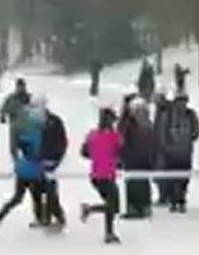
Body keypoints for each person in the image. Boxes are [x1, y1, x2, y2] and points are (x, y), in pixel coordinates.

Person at [0, 107, 46, 237]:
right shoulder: (38, 134)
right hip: (33, 170)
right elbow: (38, 153)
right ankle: (40, 219)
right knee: (36, 195)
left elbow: (18, 150)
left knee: (18, 197)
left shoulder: (24, 135)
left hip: (22, 170)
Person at [79, 108, 123, 244]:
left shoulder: (92, 135)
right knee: (113, 206)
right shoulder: (115, 136)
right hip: (107, 175)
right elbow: (121, 152)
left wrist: (96, 155)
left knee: (111, 205)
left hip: (97, 175)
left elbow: (84, 152)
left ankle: (107, 230)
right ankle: (108, 232)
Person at [155, 93, 199, 212]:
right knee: (181, 178)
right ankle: (179, 200)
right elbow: (196, 132)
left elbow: (162, 133)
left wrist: (165, 146)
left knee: (175, 177)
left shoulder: (170, 115)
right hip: (183, 153)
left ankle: (175, 200)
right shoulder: (190, 114)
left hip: (173, 153)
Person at [120, 99, 156, 219]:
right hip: (141, 159)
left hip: (134, 160)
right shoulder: (148, 125)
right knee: (141, 183)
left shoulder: (130, 125)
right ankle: (142, 207)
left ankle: (136, 208)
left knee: (136, 184)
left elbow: (123, 141)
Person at [37, 97, 69, 229]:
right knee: (39, 189)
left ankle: (57, 214)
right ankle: (45, 215)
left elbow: (63, 141)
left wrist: (58, 158)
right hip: (38, 160)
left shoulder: (55, 121)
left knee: (50, 189)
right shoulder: (35, 122)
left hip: (51, 160)